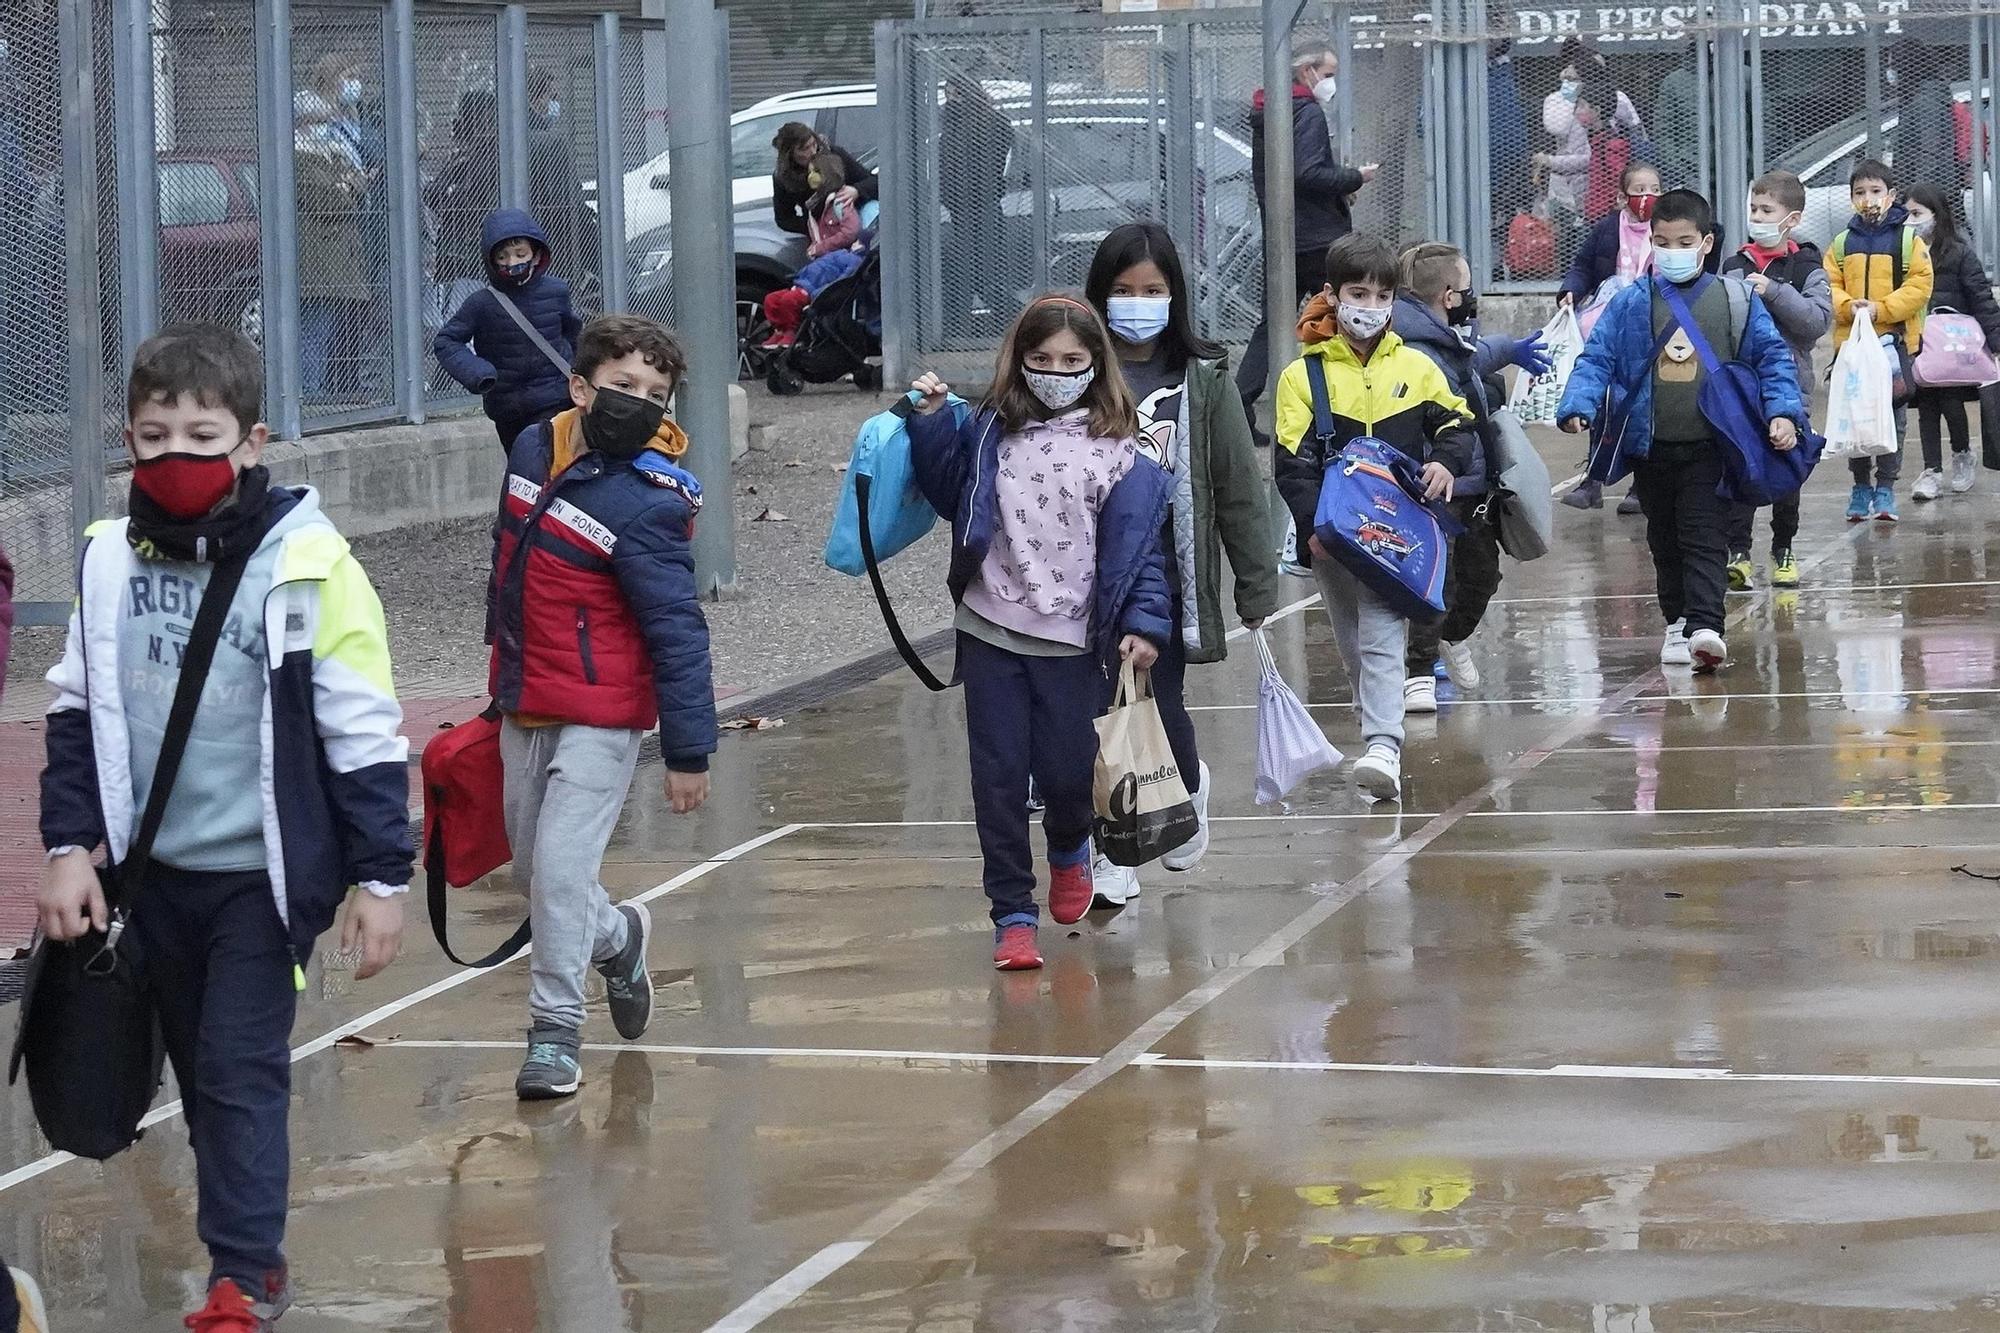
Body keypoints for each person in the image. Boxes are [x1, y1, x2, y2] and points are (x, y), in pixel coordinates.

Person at [38, 324, 410, 1331]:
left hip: (262, 882)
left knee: (240, 1068)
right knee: (205, 1081)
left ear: (252, 441)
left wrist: (382, 879)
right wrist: (71, 846)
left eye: (201, 435)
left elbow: (362, 730)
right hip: (150, 881)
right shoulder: (107, 559)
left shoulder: (309, 564)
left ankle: (244, 1279)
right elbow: (75, 709)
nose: (175, 456)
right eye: (153, 436)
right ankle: (240, 1248)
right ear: (128, 439)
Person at [904, 295, 1173, 971]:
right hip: (991, 627)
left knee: (1066, 771)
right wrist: (932, 423)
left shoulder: (1120, 451)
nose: (1056, 371)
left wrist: (1144, 624)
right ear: (1020, 361)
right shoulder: (991, 428)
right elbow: (948, 493)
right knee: (996, 778)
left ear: (1095, 364)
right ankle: (1012, 914)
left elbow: (1139, 550)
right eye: (1042, 359)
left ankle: (1067, 845)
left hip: (1073, 640)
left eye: (1072, 360)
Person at [488, 314, 715, 1099]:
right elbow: (509, 567)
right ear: (580, 387)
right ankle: (618, 936)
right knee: (534, 873)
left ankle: (554, 1032)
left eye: (658, 394)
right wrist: (500, 681)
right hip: (525, 701)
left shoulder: (649, 503)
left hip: (604, 713)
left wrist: (689, 749)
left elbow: (678, 629)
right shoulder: (529, 450)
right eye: (625, 387)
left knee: (556, 869)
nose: (642, 403)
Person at [1082, 223, 1280, 903]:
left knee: (1155, 708)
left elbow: (1237, 489)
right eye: (1123, 290)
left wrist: (1257, 581)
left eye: (1153, 290)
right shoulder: (1075, 371)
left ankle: (1187, 783)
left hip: (1166, 579)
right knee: (1094, 711)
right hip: (1085, 580)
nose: (1138, 302)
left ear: (1175, 297)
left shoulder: (1204, 380)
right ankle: (1113, 852)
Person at [1557, 190, 1806, 674]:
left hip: (1711, 446)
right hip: (1649, 448)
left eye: (1684, 240)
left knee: (1703, 535)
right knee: (1664, 540)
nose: (1672, 249)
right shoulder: (1631, 302)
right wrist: (1579, 404)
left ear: (1706, 242)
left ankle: (1706, 626)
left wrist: (1783, 412)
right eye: (1662, 241)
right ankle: (1676, 623)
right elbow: (1598, 357)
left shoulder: (1736, 301)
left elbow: (1773, 359)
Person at [1274, 234, 1476, 802]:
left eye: (1381, 294)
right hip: (1334, 536)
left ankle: (1383, 745)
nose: (1369, 306)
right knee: (1352, 638)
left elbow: (1457, 425)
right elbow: (1292, 465)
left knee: (1384, 629)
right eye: (1357, 293)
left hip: (1400, 529)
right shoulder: (1302, 377)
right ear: (1332, 296)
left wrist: (1444, 463)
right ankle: (1375, 721)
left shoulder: (1417, 366)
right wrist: (1313, 526)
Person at [1393, 242, 1552, 712]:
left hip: (1474, 484)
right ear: (1447, 295)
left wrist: (1510, 352)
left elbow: (1475, 357)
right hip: (1437, 483)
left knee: (1482, 577)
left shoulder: (1448, 340)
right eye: (1466, 288)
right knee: (1436, 581)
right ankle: (1418, 671)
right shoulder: (1415, 346)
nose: (1471, 295)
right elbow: (1461, 369)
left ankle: (1449, 638)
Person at [1237, 36, 1379, 433]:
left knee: (1274, 324)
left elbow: (1293, 173)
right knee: (1347, 315)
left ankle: (1241, 402)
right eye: (1328, 74)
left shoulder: (1272, 112)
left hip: (1286, 236)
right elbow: (1308, 173)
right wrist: (1354, 177)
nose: (1330, 82)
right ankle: (1353, 401)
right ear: (1307, 71)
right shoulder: (1307, 113)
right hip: (1318, 239)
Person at [1721, 169, 1831, 588]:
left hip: (1792, 389)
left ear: (1792, 219)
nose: (1758, 216)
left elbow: (1816, 322)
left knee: (1787, 465)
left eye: (1767, 210)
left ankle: (1783, 547)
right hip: (1744, 389)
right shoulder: (1735, 264)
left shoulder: (1806, 265)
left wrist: (1773, 291)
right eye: (1754, 209)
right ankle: (1739, 552)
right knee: (1742, 466)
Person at [1826, 158, 1934, 522]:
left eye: (1876, 192)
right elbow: (1830, 286)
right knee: (1858, 417)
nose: (1868, 199)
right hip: (1853, 347)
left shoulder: (1908, 240)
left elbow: (1920, 286)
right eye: (1860, 192)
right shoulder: (1842, 243)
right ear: (1851, 198)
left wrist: (1881, 309)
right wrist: (1847, 306)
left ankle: (1885, 487)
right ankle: (1860, 487)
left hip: (1893, 344)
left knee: (1893, 417)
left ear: (1891, 196)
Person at [434, 208, 583, 452]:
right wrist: (479, 373)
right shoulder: (481, 303)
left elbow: (575, 335)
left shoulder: (557, 291)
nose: (512, 263)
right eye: (502, 257)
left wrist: (583, 378)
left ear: (535, 254)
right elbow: (446, 341)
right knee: (526, 475)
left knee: (556, 465)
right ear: (491, 261)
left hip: (556, 399)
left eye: (520, 253)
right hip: (509, 408)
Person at [1903, 181, 2000, 501]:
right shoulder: (1903, 253)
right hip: (1920, 345)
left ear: (1937, 214)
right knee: (1927, 405)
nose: (1911, 220)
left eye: (1917, 213)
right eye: (1907, 214)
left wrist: (1996, 341)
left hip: (1955, 350)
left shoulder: (1959, 253)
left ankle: (1961, 454)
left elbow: (1982, 299)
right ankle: (1932, 470)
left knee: (1948, 400)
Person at [294, 89, 368, 401]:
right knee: (312, 329)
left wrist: (347, 185)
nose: (328, 126)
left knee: (324, 329)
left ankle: (318, 387)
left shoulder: (329, 152)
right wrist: (346, 186)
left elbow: (358, 184)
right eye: (322, 120)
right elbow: (327, 200)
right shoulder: (298, 156)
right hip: (316, 261)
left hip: (335, 259)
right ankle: (308, 391)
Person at [940, 72, 1017, 330]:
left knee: (983, 272)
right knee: (962, 270)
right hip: (960, 208)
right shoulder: (950, 122)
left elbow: (987, 161)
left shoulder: (989, 123)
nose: (951, 101)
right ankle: (957, 324)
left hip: (981, 205)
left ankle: (1013, 319)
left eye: (956, 94)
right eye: (948, 95)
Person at [427, 91, 503, 326]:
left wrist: (449, 201)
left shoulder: (486, 154)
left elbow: (470, 196)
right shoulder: (467, 154)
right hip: (462, 251)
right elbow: (433, 193)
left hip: (471, 249)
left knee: (464, 315)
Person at [772, 122, 876, 239]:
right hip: (826, 235)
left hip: (856, 218)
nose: (813, 151)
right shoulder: (783, 178)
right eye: (805, 149)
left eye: (813, 144)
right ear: (790, 154)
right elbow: (784, 219)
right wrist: (814, 226)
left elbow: (874, 182)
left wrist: (856, 190)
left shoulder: (835, 155)